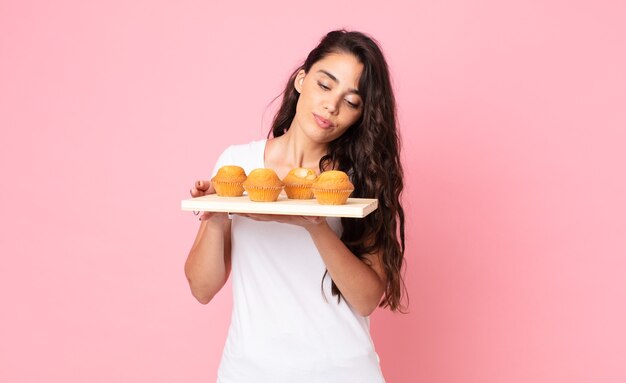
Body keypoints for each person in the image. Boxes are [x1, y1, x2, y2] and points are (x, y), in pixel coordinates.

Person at [185, 29, 406, 383]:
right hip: (250, 371)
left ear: (360, 115)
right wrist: (217, 210)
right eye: (324, 85)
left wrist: (315, 224)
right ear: (302, 80)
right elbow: (202, 288)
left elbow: (366, 299)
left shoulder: (357, 180)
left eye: (351, 101)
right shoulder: (239, 164)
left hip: (342, 372)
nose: (331, 106)